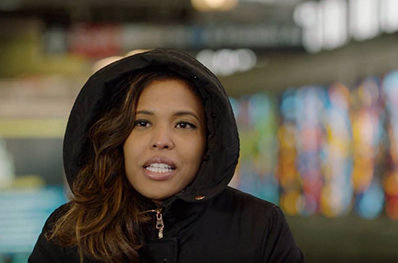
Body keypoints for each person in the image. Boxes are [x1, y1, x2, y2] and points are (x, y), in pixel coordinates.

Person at [29, 48, 305, 263]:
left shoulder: (258, 226)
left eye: (184, 124)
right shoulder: (68, 232)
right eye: (142, 123)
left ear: (209, 142)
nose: (161, 140)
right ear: (118, 138)